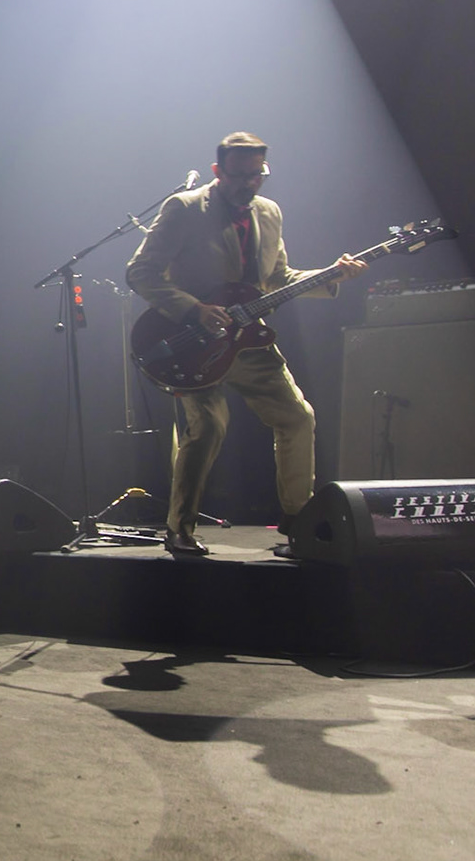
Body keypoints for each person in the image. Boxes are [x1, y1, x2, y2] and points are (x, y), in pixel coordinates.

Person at [126, 132, 365, 557]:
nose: (248, 184)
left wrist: (331, 274)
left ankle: (299, 523)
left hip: (248, 340)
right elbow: (140, 271)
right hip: (193, 343)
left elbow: (278, 279)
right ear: (218, 171)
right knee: (208, 427)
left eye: (257, 176)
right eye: (239, 176)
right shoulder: (185, 208)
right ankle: (180, 528)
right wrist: (195, 310)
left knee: (298, 418)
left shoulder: (268, 212)